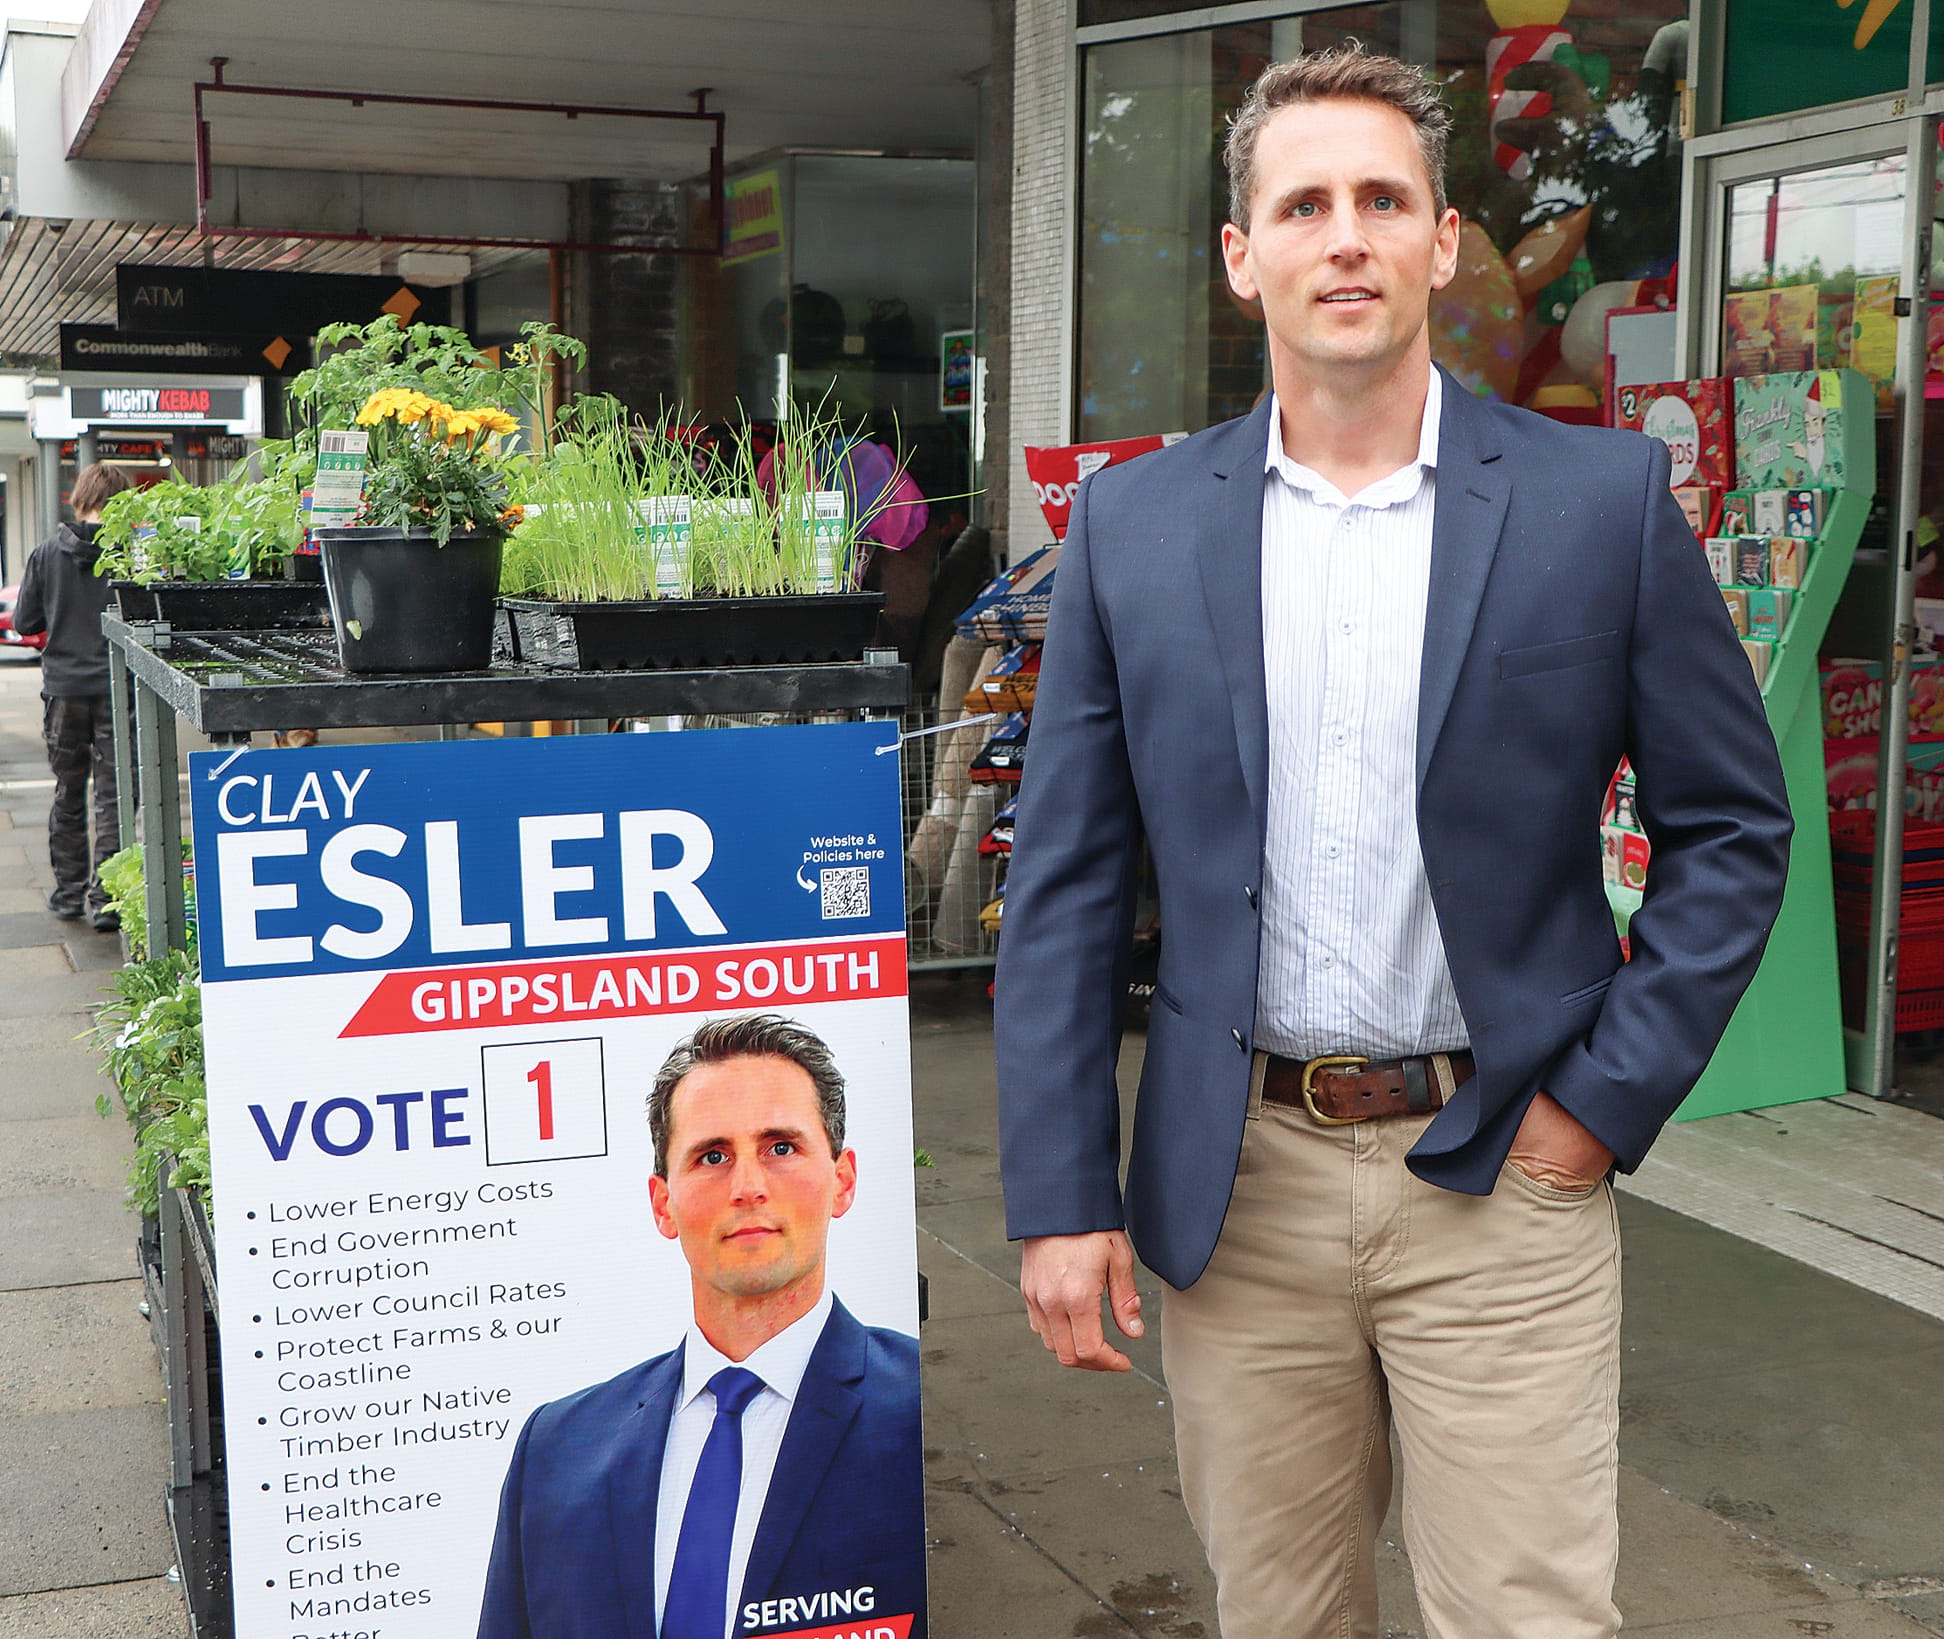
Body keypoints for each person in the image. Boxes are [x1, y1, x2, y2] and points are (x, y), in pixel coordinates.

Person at [994, 44, 1792, 1639]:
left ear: (1440, 240)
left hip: (1506, 1167)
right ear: (1244, 258)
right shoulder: (1135, 532)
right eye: (1304, 204)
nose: (1343, 235)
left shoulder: (1602, 503)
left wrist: (1595, 1107)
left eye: (1382, 198)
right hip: (1242, 1182)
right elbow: (1068, 886)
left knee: (1528, 1615)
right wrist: (1058, 1193)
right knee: (1280, 1614)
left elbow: (1733, 827)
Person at [477, 1015, 925, 1639]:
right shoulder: (555, 1451)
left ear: (842, 1181)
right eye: (712, 1156)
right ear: (664, 1203)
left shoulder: (926, 1420)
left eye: (781, 1147)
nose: (747, 1187)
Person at [12, 462, 136, 932]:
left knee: (68, 791)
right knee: (115, 796)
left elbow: (27, 624)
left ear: (78, 497)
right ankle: (105, 900)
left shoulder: (46, 554)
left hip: (63, 690)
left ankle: (68, 893)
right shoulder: (130, 555)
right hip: (116, 688)